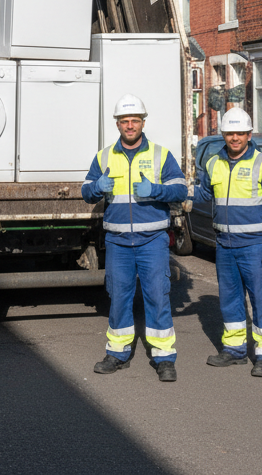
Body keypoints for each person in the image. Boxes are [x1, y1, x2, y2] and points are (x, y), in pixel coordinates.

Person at [81, 94, 189, 382]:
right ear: (117, 124)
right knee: (118, 297)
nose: (130, 126)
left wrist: (156, 190)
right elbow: (86, 191)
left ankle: (164, 358)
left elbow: (180, 190)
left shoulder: (161, 155)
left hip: (152, 239)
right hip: (117, 241)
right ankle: (117, 353)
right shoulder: (104, 156)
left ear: (143, 122)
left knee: (157, 296)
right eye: (125, 121)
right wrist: (96, 187)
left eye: (135, 121)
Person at [194, 107, 262, 377]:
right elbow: (202, 195)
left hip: (255, 246)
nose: (234, 138)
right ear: (223, 135)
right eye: (230, 133)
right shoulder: (213, 163)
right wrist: (173, 192)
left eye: (240, 133)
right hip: (224, 245)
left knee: (261, 299)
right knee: (230, 300)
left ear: (249, 135)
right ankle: (235, 351)